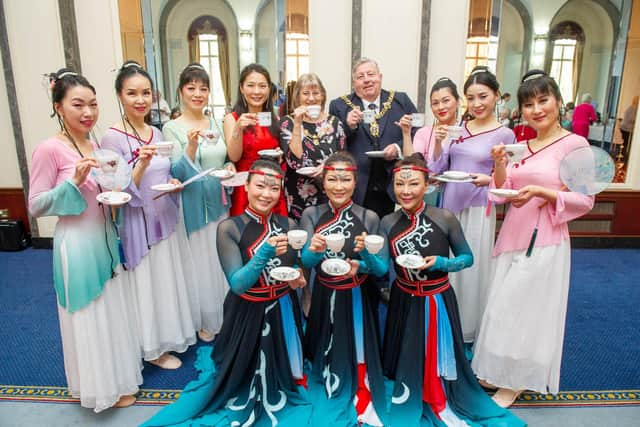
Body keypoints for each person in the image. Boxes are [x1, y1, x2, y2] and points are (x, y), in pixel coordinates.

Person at [142, 159, 312, 427]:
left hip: (283, 311)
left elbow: (294, 269)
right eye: (260, 186)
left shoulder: (288, 224)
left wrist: (299, 280)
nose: (266, 194)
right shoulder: (230, 228)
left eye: (274, 188)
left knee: (287, 375)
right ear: (246, 185)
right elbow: (238, 284)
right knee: (240, 379)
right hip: (246, 314)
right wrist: (265, 251)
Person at [472, 70, 595, 408]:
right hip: (512, 234)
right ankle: (497, 370)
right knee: (500, 307)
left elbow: (585, 200)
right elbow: (502, 193)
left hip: (545, 240)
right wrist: (498, 165)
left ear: (558, 102)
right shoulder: (521, 146)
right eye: (529, 104)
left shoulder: (575, 145)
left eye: (543, 100)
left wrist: (545, 192)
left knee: (524, 310)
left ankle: (517, 379)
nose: (537, 109)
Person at [378, 154, 524, 426]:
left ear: (428, 184)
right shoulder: (387, 222)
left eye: (413, 184)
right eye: (400, 184)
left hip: (437, 301)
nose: (406, 191)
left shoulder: (444, 217)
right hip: (402, 298)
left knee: (436, 362)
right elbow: (380, 268)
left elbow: (468, 258)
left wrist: (443, 262)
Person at [28, 68, 141, 411]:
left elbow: (105, 191)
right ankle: (97, 388)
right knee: (88, 314)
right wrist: (72, 183)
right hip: (76, 244)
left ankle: (113, 379)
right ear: (59, 106)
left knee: (108, 311)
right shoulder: (49, 149)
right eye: (78, 105)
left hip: (104, 238)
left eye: (93, 104)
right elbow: (35, 205)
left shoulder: (93, 145)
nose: (88, 112)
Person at [100, 61, 197, 370]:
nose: (140, 100)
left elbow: (167, 170)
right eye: (132, 93)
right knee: (145, 283)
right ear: (119, 95)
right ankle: (151, 348)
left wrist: (174, 182)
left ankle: (168, 336)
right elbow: (116, 192)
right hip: (137, 220)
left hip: (164, 214)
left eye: (145, 93)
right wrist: (139, 165)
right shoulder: (112, 138)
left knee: (165, 279)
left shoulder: (155, 132)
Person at [428, 65, 516, 347]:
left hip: (479, 207)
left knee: (473, 267)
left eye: (483, 96)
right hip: (450, 205)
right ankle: (447, 321)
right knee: (449, 264)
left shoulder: (505, 135)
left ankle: (469, 327)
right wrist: (440, 144)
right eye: (471, 97)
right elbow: (437, 169)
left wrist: (489, 178)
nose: (477, 104)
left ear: (496, 96)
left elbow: (507, 182)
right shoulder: (459, 129)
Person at [299, 152, 386, 426]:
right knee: (321, 352)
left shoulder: (369, 216)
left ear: (355, 181)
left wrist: (363, 262)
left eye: (346, 179)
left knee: (357, 357)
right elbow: (306, 262)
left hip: (358, 295)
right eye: (333, 179)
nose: (339, 186)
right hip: (324, 294)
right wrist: (314, 251)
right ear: (323, 182)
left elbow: (382, 270)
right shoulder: (311, 214)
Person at [162, 63, 234, 342]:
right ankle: (204, 320)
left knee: (220, 261)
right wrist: (191, 146)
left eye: (203, 88)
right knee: (199, 265)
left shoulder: (216, 123)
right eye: (191, 88)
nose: (198, 93)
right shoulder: (171, 128)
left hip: (219, 202)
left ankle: (227, 316)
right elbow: (177, 173)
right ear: (181, 91)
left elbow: (224, 157)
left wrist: (229, 167)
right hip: (193, 207)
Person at [329, 58, 417, 218]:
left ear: (380, 77)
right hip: (356, 182)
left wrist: (398, 148)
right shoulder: (339, 106)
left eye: (371, 74)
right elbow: (331, 142)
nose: (367, 80)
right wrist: (348, 126)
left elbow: (417, 131)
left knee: (386, 230)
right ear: (354, 82)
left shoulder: (401, 100)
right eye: (361, 76)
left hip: (392, 180)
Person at [280, 73, 346, 220]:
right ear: (297, 97)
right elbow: (294, 162)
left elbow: (344, 159)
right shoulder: (287, 123)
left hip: (330, 192)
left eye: (316, 93)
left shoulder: (334, 123)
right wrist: (297, 123)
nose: (311, 98)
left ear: (322, 96)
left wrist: (327, 166)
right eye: (305, 93)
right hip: (298, 193)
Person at [223, 63, 287, 216]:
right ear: (241, 88)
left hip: (271, 186)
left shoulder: (274, 118)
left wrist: (279, 155)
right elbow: (234, 156)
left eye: (262, 86)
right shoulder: (232, 119)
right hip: (245, 187)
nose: (257, 91)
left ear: (269, 89)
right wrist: (238, 128)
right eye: (251, 85)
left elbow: (281, 154)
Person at [405, 77, 462, 207]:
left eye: (446, 100)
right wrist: (406, 133)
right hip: (431, 197)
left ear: (457, 101)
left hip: (459, 195)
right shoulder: (423, 133)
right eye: (435, 103)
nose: (440, 107)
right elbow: (413, 163)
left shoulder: (466, 131)